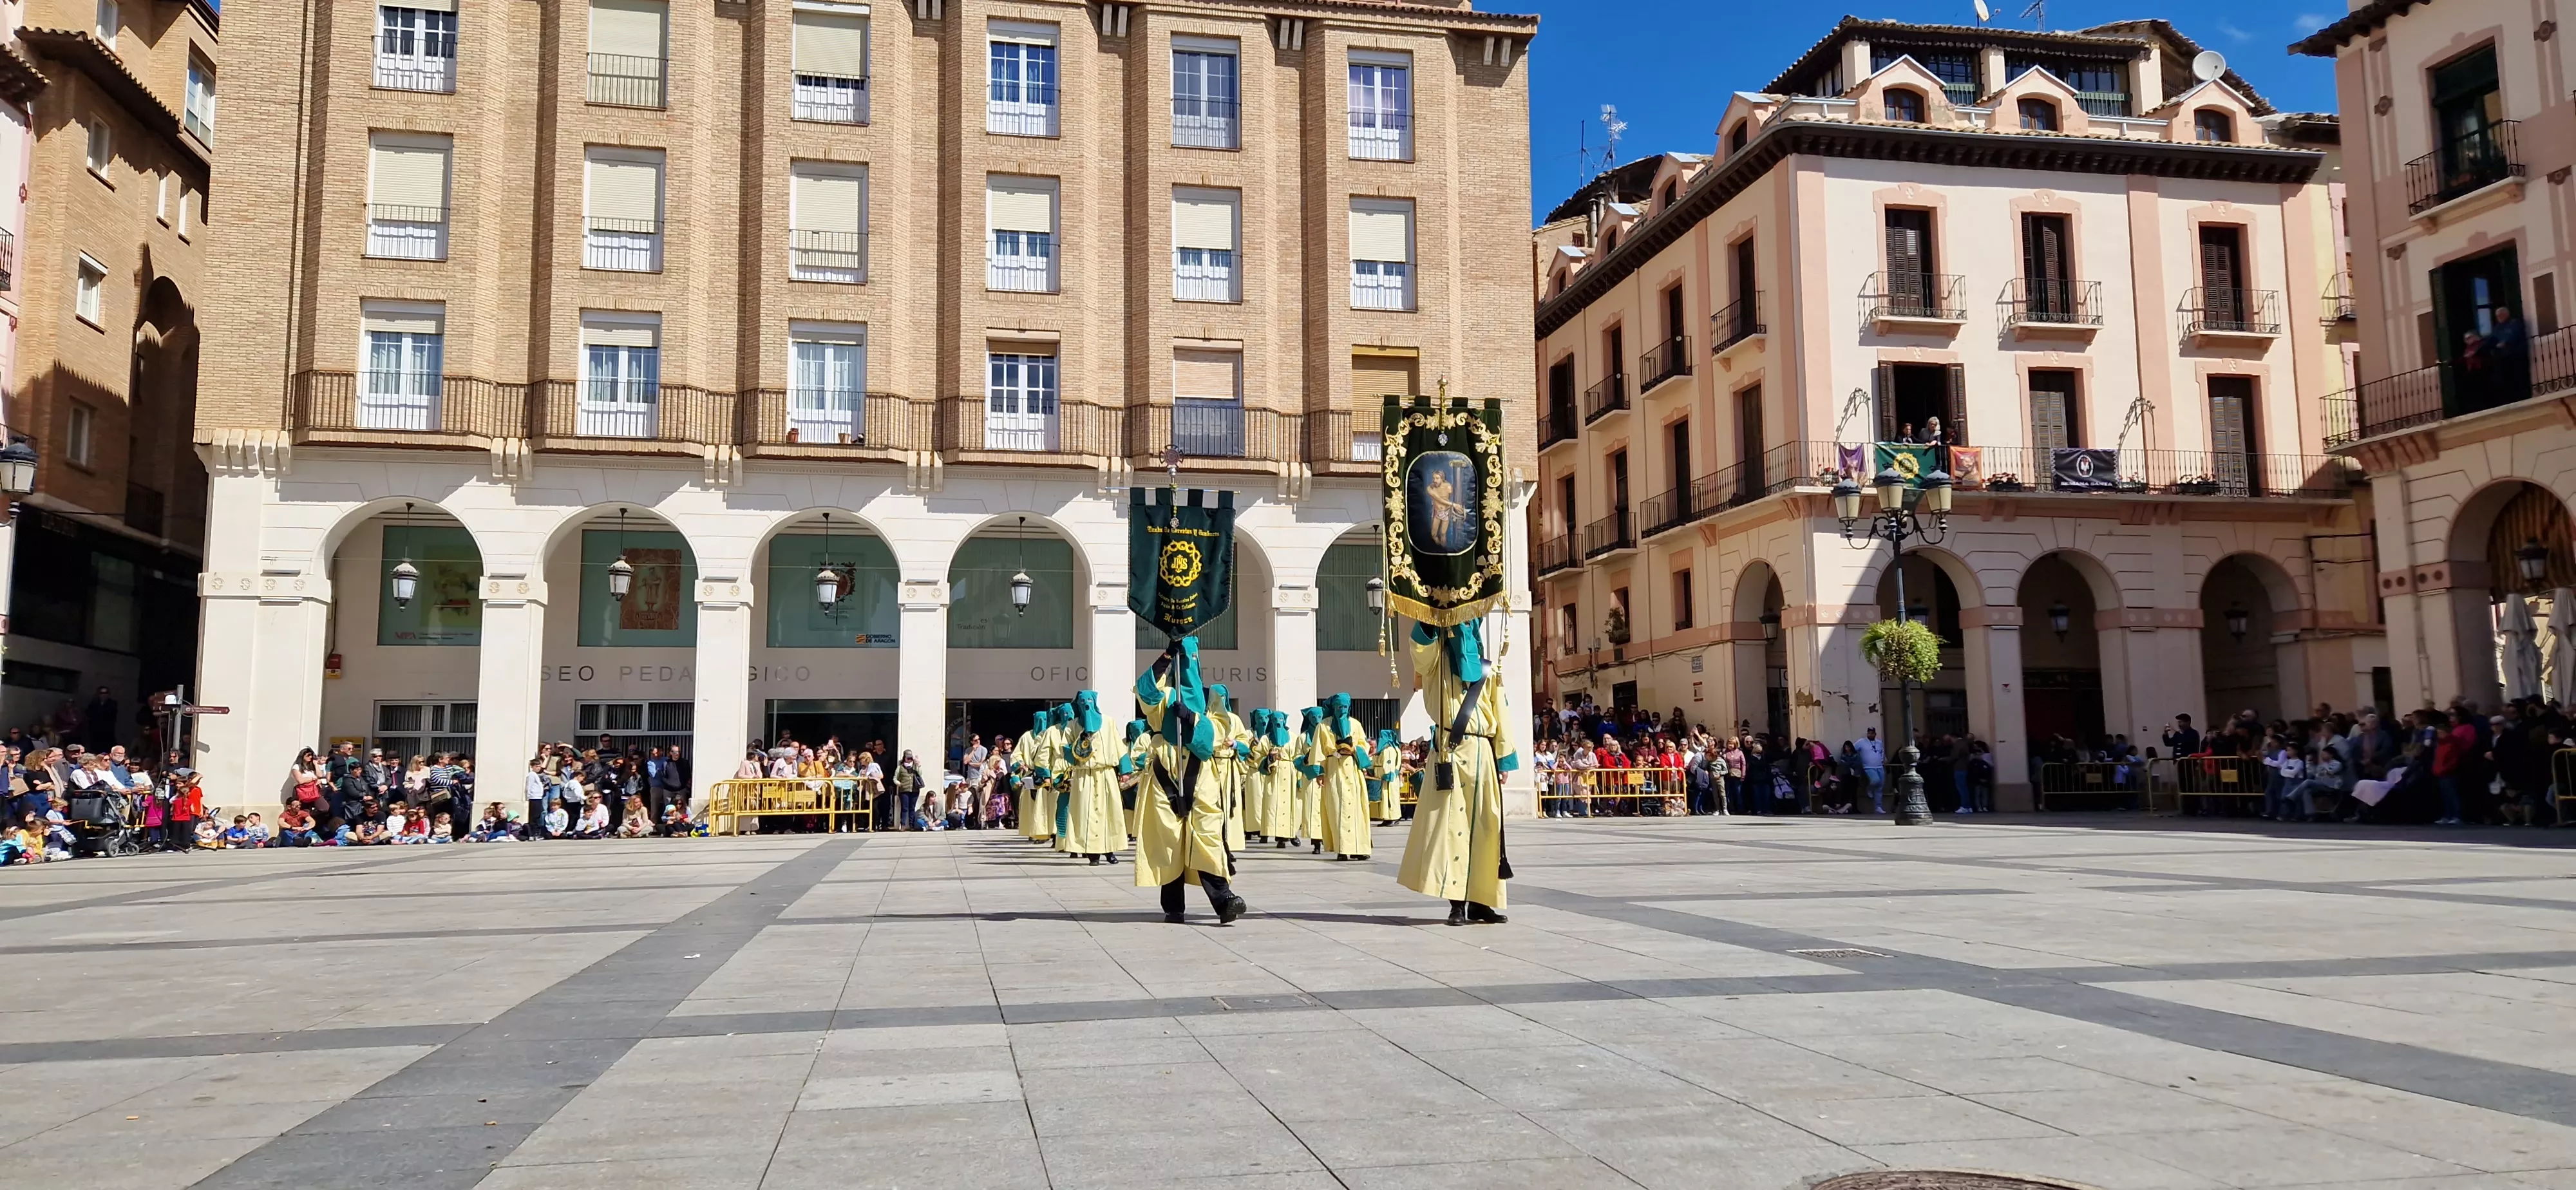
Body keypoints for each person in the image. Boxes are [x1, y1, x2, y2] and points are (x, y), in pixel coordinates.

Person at [1399, 619, 1515, 926]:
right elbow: (1420, 651)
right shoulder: (1438, 664)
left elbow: (1501, 712)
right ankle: (1456, 904)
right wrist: (1429, 621)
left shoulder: (1488, 671)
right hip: (1449, 752)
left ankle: (1482, 901)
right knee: (1451, 831)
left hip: (1483, 755)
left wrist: (1504, 760)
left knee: (1486, 830)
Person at [1133, 636, 1247, 924]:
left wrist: (1193, 720)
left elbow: (1216, 735)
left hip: (1201, 771)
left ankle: (1224, 901)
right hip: (1165, 772)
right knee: (1170, 839)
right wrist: (1165, 658)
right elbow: (1145, 693)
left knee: (1206, 833)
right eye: (1181, 657)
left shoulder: (1212, 699)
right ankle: (1173, 907)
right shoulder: (1166, 693)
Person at [1057, 692, 1125, 865]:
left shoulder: (1108, 722)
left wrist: (1125, 770)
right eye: (1082, 702)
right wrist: (1080, 743)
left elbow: (1119, 746)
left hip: (1105, 774)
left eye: (1089, 701)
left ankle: (1109, 850)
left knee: (1108, 814)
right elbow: (1065, 750)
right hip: (1084, 775)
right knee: (1085, 815)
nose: (1086, 705)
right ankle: (1092, 854)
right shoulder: (1073, 725)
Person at [1853, 728, 1886, 815]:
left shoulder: (1879, 742)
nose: (1871, 735)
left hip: (1879, 766)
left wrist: (1884, 760)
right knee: (1876, 781)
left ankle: (1878, 807)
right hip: (1868, 767)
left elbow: (1882, 752)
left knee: (1880, 786)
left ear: (1875, 734)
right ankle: (1869, 789)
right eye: (1869, 733)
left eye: (1872, 733)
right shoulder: (1861, 742)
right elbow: (1853, 749)